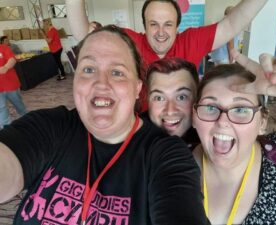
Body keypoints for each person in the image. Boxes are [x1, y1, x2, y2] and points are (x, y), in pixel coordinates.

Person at [0, 25, 210, 225]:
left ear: (138, 88)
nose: (101, 83)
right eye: (89, 69)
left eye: (117, 72)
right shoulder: (50, 126)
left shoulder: (164, 153)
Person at [66, 0, 268, 112]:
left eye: (168, 24)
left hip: (183, 124)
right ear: (144, 26)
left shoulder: (190, 41)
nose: (160, 32)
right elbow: (83, 33)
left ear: (176, 26)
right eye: (153, 24)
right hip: (141, 124)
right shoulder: (129, 41)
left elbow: (231, 24)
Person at [192, 49, 276, 224]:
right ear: (194, 117)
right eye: (211, 107)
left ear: (262, 122)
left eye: (241, 109)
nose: (223, 121)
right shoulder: (164, 166)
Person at [145, 57, 200, 149]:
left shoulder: (210, 134)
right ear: (147, 99)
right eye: (159, 98)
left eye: (181, 97)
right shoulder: (134, 142)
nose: (170, 111)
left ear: (197, 97)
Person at [0, 42, 27, 129]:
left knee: (19, 105)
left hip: (10, 85)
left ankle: (27, 121)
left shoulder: (3, 48)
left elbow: (12, 59)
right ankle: (6, 130)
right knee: (1, 109)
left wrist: (5, 67)